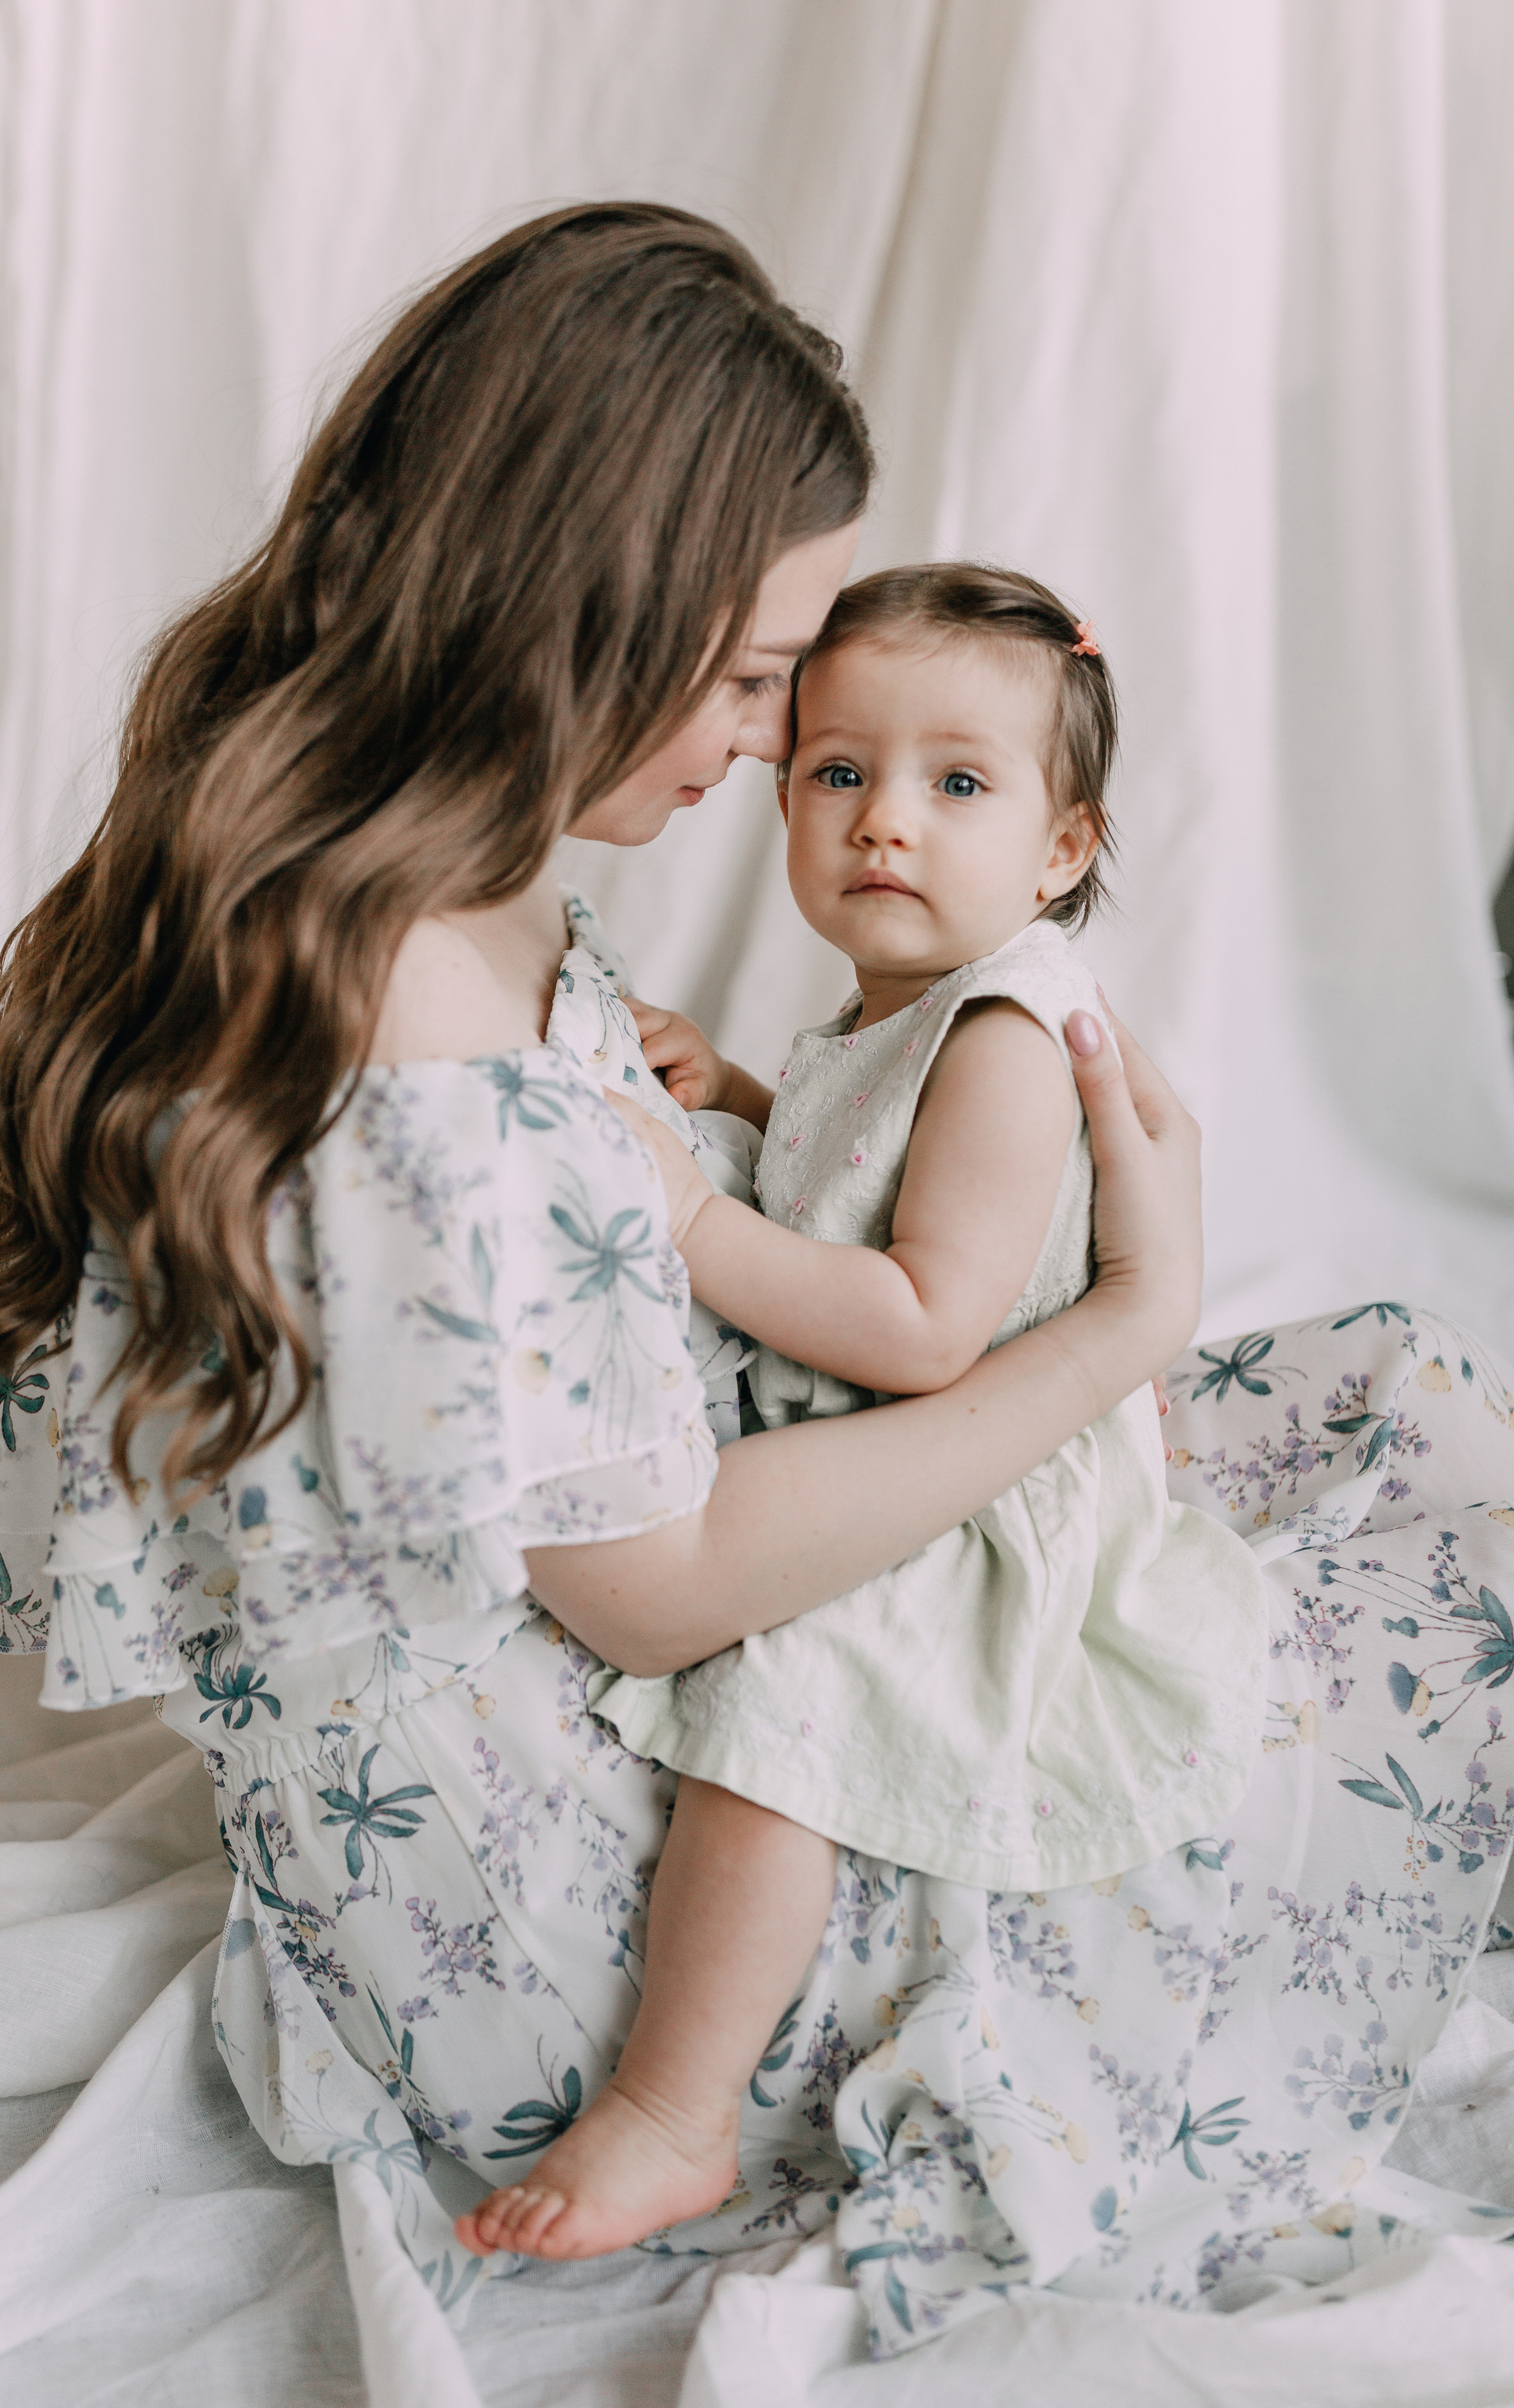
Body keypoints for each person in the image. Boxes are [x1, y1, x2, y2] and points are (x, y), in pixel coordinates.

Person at [0, 203, 1514, 2355]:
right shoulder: (414, 1032)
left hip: (619, 1714)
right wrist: (1121, 1328)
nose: (784, 751)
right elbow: (661, 1588)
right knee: (1424, 1577)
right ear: (583, 598)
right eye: (767, 680)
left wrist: (737, 1149)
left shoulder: (395, 885)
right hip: (600, 1917)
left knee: (1380, 1403)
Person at [458, 560, 1266, 2263]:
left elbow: (918, 1323)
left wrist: (690, 1214)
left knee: (783, 1724)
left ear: (1062, 849)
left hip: (972, 1497)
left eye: (958, 784)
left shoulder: (1005, 1034)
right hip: (916, 1455)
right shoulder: (901, 1013)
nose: (883, 821)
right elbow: (869, 1196)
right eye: (837, 770)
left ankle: (673, 2113)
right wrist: (748, 1099)